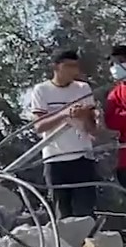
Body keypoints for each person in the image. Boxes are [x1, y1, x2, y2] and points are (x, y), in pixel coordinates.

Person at [23, 48, 102, 219]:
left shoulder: (82, 88)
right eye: (68, 66)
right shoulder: (41, 90)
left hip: (82, 157)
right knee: (62, 213)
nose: (73, 71)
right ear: (56, 67)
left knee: (85, 212)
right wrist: (64, 114)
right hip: (55, 159)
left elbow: (93, 129)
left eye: (75, 66)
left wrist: (85, 115)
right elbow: (39, 126)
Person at [106, 45, 126, 192]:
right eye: (112, 64)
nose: (115, 67)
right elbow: (112, 122)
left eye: (119, 62)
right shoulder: (114, 95)